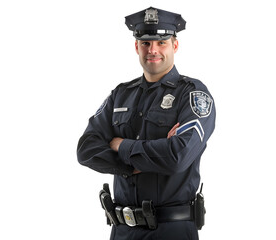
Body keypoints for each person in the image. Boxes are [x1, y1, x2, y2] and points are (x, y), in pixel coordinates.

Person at [77, 7, 216, 240]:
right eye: (146, 43)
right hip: (121, 231)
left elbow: (177, 156)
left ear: (175, 46)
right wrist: (132, 166)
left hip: (171, 231)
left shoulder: (192, 95)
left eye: (161, 42)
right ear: (136, 47)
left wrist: (120, 145)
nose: (153, 50)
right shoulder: (120, 95)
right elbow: (86, 149)